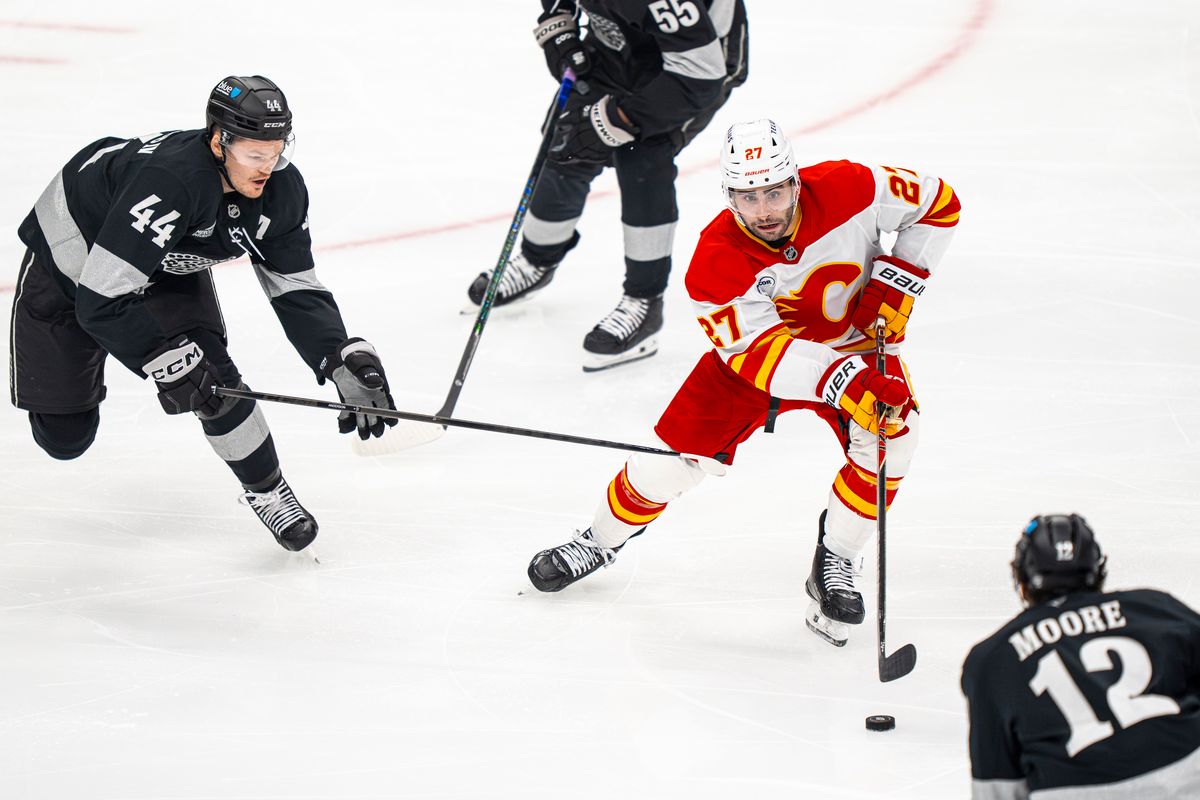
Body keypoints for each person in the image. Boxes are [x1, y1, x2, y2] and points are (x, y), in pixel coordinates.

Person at [525, 119, 960, 647]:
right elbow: (757, 353)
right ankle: (599, 540)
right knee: (669, 463)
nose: (764, 210)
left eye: (775, 191)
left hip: (855, 343)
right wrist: (843, 380)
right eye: (748, 197)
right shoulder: (715, 259)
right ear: (728, 195)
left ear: (796, 181)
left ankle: (837, 558)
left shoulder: (851, 186)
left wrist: (899, 282)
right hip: (760, 362)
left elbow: (938, 203)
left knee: (895, 438)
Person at [8, 75, 398, 552]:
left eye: (276, 153)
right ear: (219, 142)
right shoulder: (171, 183)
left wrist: (335, 354)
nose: (268, 167)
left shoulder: (283, 189)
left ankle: (269, 491)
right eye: (255, 155)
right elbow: (100, 297)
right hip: (72, 265)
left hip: (163, 268)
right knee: (64, 438)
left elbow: (294, 287)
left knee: (214, 382)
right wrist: (159, 356)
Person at [465, 0, 749, 372]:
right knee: (566, 140)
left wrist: (616, 119)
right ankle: (537, 260)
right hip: (618, 47)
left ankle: (644, 301)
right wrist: (559, 28)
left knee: (642, 153)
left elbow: (700, 75)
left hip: (695, 65)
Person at [961, 514, 1200, 798]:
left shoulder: (992, 659)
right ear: (1098, 570)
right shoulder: (1157, 609)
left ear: (1021, 579)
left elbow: (996, 788)